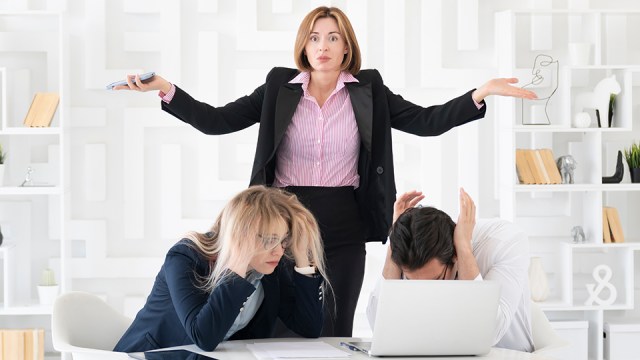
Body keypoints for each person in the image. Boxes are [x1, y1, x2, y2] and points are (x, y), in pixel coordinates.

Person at [113, 6, 537, 336]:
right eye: (315, 37)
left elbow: (426, 121)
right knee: (279, 325)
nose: (323, 45)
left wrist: (479, 94)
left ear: (346, 48)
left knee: (334, 329)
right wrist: (166, 90)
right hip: (282, 221)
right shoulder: (278, 88)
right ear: (304, 44)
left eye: (333, 37)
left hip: (343, 223)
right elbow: (217, 121)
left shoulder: (369, 89)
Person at [113, 186, 329, 352]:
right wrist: (238, 264)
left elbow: (309, 328)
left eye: (284, 241)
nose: (279, 252)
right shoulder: (185, 257)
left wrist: (302, 258)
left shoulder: (271, 267)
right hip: (148, 356)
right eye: (270, 240)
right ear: (240, 234)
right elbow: (204, 336)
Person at [367, 189, 534, 352]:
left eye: (436, 280)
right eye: (412, 282)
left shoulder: (504, 241)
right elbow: (378, 325)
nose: (426, 294)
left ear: (453, 254)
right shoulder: (409, 253)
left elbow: (489, 334)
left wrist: (463, 248)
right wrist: (394, 239)